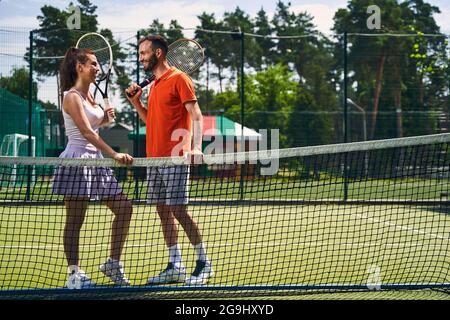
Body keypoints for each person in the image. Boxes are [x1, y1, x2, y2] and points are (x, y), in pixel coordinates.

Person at [126, 35, 213, 285]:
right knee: (163, 211)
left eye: (144, 53)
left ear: (158, 54)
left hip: (176, 158)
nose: (140, 57)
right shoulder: (154, 85)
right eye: (140, 53)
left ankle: (204, 263)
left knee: (178, 210)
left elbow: (196, 115)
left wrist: (196, 147)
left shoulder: (179, 78)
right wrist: (136, 103)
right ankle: (175, 265)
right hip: (154, 159)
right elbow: (152, 121)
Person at [53, 47, 133, 289]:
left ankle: (113, 263)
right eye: (94, 64)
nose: (98, 68)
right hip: (77, 161)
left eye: (98, 64)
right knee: (75, 221)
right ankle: (74, 275)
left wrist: (106, 118)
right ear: (80, 67)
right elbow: (86, 132)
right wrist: (114, 154)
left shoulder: (90, 98)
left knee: (125, 208)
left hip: (96, 162)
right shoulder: (71, 96)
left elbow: (97, 125)